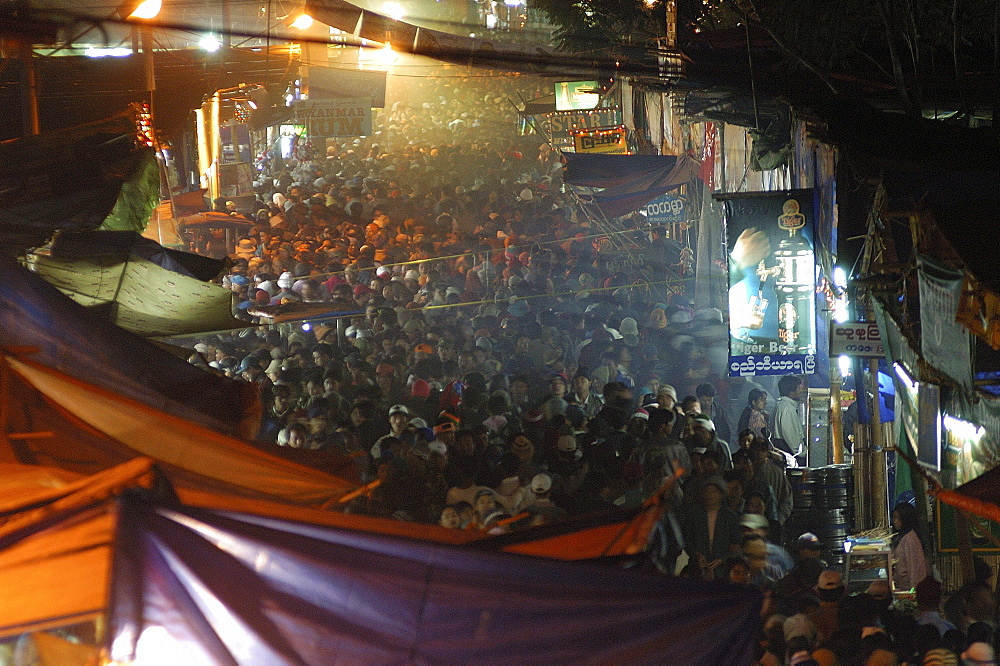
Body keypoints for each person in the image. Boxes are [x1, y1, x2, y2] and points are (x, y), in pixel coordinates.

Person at [891, 502, 930, 592]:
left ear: (906, 519)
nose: (895, 521)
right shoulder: (899, 536)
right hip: (901, 588)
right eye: (894, 517)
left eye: (899, 518)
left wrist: (914, 592)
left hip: (908, 589)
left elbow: (915, 568)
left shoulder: (910, 539)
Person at [771, 374, 806, 460]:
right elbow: (792, 438)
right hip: (791, 457)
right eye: (798, 388)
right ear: (791, 392)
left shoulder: (784, 405)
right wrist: (804, 453)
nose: (801, 391)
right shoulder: (787, 408)